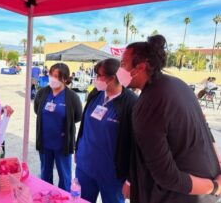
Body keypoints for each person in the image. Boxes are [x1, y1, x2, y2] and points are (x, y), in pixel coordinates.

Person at [117, 35, 221, 203]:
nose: (119, 70)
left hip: (180, 195)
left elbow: (167, 176)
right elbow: (205, 127)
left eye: (123, 64)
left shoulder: (148, 106)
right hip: (203, 187)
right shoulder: (178, 84)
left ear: (141, 67)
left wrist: (214, 186)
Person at [75, 58, 137, 203]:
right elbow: (84, 124)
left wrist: (130, 179)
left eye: (99, 76)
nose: (96, 79)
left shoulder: (131, 103)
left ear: (112, 78)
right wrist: (77, 148)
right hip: (85, 167)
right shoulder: (95, 94)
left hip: (112, 175)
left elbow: (137, 145)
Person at [34, 63, 82, 191]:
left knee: (65, 177)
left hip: (62, 144)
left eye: (56, 76)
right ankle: (46, 196)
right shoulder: (42, 93)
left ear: (65, 79)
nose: (52, 79)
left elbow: (77, 116)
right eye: (51, 75)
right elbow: (37, 110)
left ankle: (64, 197)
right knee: (45, 174)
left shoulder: (72, 97)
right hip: (45, 143)